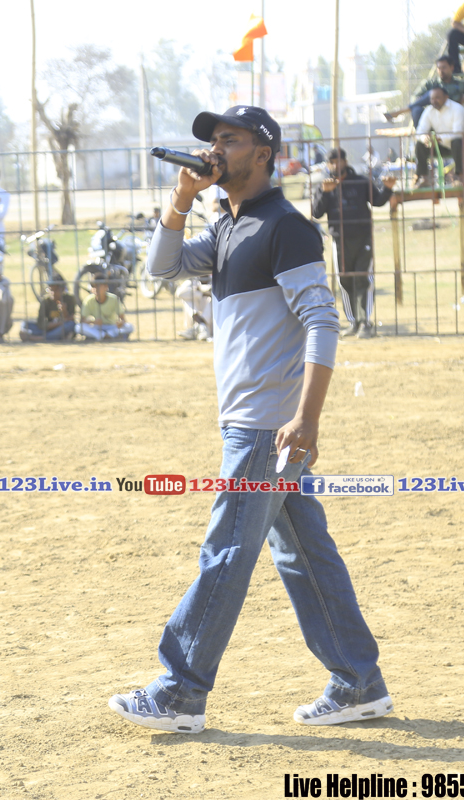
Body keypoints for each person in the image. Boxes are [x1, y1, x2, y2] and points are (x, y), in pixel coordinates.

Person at [108, 105, 390, 734]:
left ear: (263, 153)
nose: (215, 149)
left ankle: (180, 692)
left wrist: (307, 419)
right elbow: (161, 269)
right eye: (211, 140)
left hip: (267, 427)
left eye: (228, 140)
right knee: (304, 556)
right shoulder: (228, 226)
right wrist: (182, 199)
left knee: (227, 551)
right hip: (253, 423)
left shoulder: (285, 227)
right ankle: (358, 682)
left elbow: (323, 320)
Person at [310, 147, 396, 338]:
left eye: (339, 161)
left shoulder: (360, 182)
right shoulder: (324, 186)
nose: (336, 165)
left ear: (345, 162)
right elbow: (316, 213)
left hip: (363, 237)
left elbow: (377, 201)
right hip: (339, 240)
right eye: (332, 162)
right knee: (345, 279)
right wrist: (325, 193)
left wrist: (388, 188)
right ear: (327, 165)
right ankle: (353, 322)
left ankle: (365, 322)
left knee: (363, 278)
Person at [385, 57, 464, 127]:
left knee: (433, 94)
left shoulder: (460, 84)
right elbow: (415, 97)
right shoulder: (430, 83)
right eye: (439, 68)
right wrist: (419, 99)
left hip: (450, 114)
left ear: (451, 67)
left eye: (444, 68)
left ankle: (399, 112)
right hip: (432, 115)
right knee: (417, 109)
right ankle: (422, 139)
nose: (441, 71)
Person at [415, 87, 464, 188]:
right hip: (440, 145)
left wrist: (438, 138)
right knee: (420, 145)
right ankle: (424, 178)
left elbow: (458, 133)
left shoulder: (457, 108)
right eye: (432, 98)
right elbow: (419, 132)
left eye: (437, 98)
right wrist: (425, 139)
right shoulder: (429, 110)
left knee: (456, 142)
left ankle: (459, 177)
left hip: (462, 145)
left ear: (446, 97)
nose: (434, 101)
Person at [19, 275, 76, 342]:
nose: (53, 293)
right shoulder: (45, 301)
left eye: (56, 290)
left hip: (61, 328)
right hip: (49, 328)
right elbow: (41, 324)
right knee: (25, 324)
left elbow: (71, 319)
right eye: (51, 290)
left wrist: (64, 311)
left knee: (71, 325)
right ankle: (55, 337)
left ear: (63, 289)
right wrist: (60, 323)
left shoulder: (70, 299)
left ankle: (39, 338)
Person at [79, 272, 133, 341]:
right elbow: (82, 320)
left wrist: (120, 323)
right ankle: (103, 336)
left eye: (98, 286)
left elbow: (123, 319)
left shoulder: (114, 299)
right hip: (97, 327)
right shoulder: (88, 300)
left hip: (112, 326)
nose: (96, 288)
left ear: (106, 287)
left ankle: (106, 335)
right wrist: (94, 322)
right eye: (93, 286)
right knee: (78, 327)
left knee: (130, 327)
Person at [175, 277, 213, 341]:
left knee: (212, 300)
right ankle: (200, 326)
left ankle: (200, 328)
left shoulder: (213, 280)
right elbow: (179, 293)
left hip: (210, 324)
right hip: (192, 321)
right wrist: (202, 293)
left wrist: (207, 291)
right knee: (186, 299)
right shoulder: (193, 280)